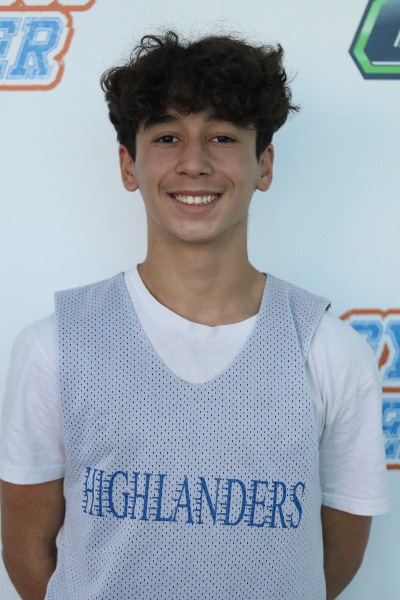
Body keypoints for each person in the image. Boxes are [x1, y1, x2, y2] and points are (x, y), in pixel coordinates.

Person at [0, 31, 389, 600]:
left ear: (264, 165)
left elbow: (331, 559)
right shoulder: (54, 348)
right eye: (167, 137)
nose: (194, 163)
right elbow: (27, 550)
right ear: (128, 166)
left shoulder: (329, 352)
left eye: (223, 136)